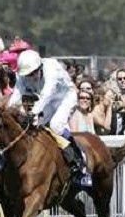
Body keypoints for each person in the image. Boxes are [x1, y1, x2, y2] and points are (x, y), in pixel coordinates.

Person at [9, 50, 90, 186]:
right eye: (28, 74)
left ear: (40, 67)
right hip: (48, 102)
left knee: (56, 125)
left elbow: (47, 93)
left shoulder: (51, 67)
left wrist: (33, 113)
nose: (31, 77)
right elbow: (15, 97)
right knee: (33, 126)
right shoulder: (22, 76)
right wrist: (5, 112)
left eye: (33, 73)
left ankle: (80, 160)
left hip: (66, 98)